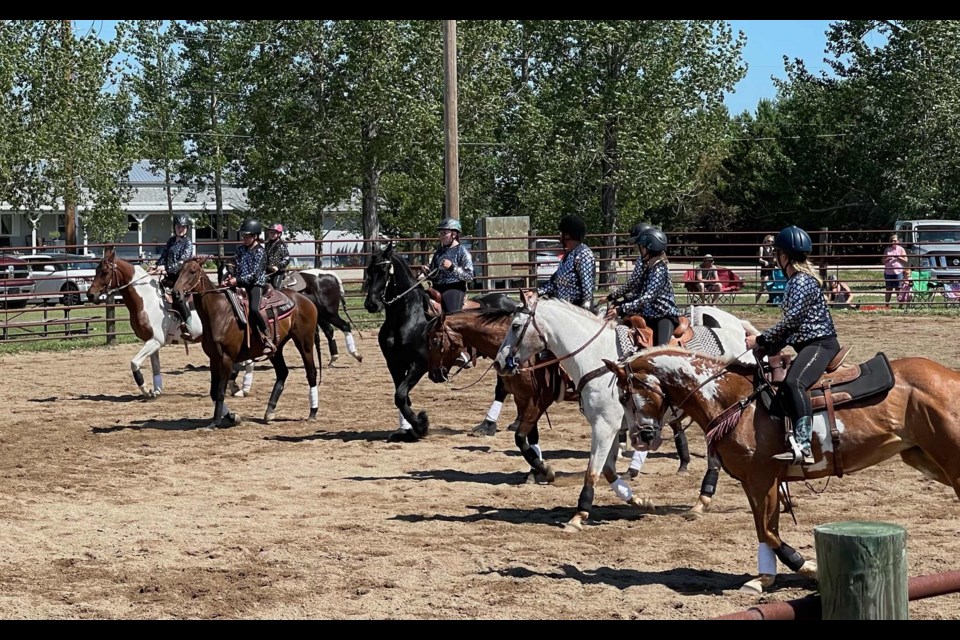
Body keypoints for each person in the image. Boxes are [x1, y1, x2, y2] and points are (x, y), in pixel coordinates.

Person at [745, 225, 839, 466]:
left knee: (794, 382)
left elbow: (792, 321)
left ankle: (804, 445)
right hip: (811, 343)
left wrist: (761, 339)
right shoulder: (801, 280)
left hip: (820, 345)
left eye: (777, 255)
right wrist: (769, 345)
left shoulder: (799, 282)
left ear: (784, 257)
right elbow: (793, 328)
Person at [605, 227, 682, 345]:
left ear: (649, 248)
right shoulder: (649, 268)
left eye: (641, 247)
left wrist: (622, 308)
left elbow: (647, 297)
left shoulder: (659, 270)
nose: (639, 251)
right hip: (649, 315)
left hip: (664, 316)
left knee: (661, 349)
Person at [223, 218, 274, 356]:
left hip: (255, 284)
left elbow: (254, 274)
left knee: (254, 309)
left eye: (247, 236)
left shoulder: (260, 252)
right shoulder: (241, 250)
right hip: (239, 282)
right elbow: (234, 263)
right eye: (243, 236)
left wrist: (237, 280)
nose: (244, 239)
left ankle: (267, 337)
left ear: (256, 236)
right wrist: (229, 274)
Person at [537, 214, 596, 310]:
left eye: (562, 233)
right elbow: (555, 282)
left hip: (576, 308)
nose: (560, 236)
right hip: (564, 307)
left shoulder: (583, 254)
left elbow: (587, 285)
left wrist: (585, 307)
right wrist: (537, 292)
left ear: (568, 234)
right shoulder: (569, 255)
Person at [422, 218, 474, 314]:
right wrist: (428, 272)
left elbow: (469, 276)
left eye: (444, 233)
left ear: (454, 234)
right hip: (437, 286)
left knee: (451, 313)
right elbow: (435, 274)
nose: (441, 236)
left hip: (454, 288)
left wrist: (452, 268)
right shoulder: (439, 252)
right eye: (440, 233)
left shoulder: (462, 251)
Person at [149, 215, 193, 290]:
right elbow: (164, 255)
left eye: (183, 227)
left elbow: (182, 262)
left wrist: (166, 268)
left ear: (187, 228)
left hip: (181, 276)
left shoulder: (187, 243)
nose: (180, 229)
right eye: (178, 227)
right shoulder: (171, 240)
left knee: (176, 294)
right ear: (174, 227)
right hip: (170, 274)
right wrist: (157, 265)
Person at [883, 233, 908, 307]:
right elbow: (883, 260)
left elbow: (906, 260)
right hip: (888, 272)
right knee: (888, 289)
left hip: (898, 272)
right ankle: (887, 305)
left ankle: (900, 305)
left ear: (898, 241)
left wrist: (898, 257)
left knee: (898, 289)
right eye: (892, 241)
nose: (893, 242)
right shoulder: (887, 249)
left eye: (895, 241)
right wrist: (888, 259)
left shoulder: (901, 249)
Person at [264, 222, 291, 290]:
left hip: (278, 272)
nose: (272, 234)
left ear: (279, 234)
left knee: (276, 287)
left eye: (274, 233)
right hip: (268, 271)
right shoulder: (268, 245)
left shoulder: (281, 245)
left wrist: (278, 266)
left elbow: (287, 259)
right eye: (270, 232)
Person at [756, 234, 776, 303]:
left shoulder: (772, 248)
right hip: (765, 269)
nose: (770, 242)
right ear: (765, 240)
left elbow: (774, 258)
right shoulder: (762, 248)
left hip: (772, 269)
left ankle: (772, 301)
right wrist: (764, 261)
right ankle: (756, 301)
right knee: (763, 287)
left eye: (771, 241)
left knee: (772, 286)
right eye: (769, 241)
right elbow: (760, 259)